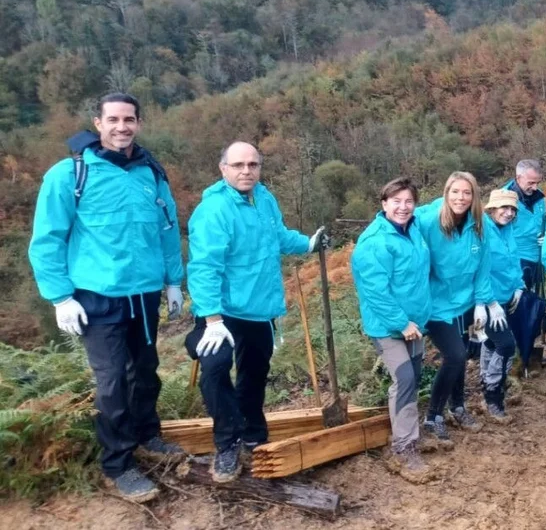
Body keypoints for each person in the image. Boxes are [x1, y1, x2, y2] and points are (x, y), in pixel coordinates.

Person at [28, 93, 187, 502]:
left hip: (145, 293)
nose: (122, 127)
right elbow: (47, 239)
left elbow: (167, 230)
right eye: (113, 119)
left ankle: (147, 435)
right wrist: (61, 297)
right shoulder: (69, 174)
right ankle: (118, 465)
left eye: (129, 119)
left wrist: (173, 281)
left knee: (145, 370)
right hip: (97, 297)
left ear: (139, 122)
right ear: (97, 123)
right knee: (112, 380)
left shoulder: (151, 172)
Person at [186, 141, 326, 483]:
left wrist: (307, 244)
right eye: (238, 165)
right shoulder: (213, 210)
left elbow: (276, 236)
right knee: (216, 369)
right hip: (222, 312)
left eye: (253, 164)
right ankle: (227, 442)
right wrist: (212, 320)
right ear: (223, 169)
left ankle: (251, 431)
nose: (246, 171)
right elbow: (204, 266)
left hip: (260, 308)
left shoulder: (264, 198)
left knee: (254, 373)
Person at [415, 172, 508, 447]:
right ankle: (433, 416)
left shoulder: (479, 225)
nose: (461, 198)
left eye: (467, 193)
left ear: (474, 196)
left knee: (465, 354)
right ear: (446, 194)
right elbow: (397, 221)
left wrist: (483, 302)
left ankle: (458, 407)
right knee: (454, 356)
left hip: (467, 304)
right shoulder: (428, 221)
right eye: (455, 192)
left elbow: (483, 266)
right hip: (436, 305)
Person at [351, 177, 433, 483]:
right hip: (389, 326)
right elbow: (375, 291)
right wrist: (402, 323)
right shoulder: (375, 241)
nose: (403, 207)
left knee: (410, 380)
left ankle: (406, 434)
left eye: (409, 201)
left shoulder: (413, 230)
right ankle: (403, 449)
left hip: (415, 323)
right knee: (405, 378)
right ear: (384, 204)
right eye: (396, 201)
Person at [480, 188, 524, 422]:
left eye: (512, 209)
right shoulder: (482, 231)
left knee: (491, 342)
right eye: (503, 208)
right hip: (487, 301)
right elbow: (480, 269)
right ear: (492, 208)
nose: (508, 213)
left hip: (507, 297)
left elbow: (513, 261)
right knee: (506, 345)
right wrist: (489, 301)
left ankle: (485, 385)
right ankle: (492, 394)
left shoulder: (508, 231)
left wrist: (519, 285)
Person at [503, 159, 546, 294]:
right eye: (531, 183)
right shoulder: (504, 198)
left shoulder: (539, 197)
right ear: (518, 178)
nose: (535, 187)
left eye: (537, 183)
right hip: (516, 260)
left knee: (534, 300)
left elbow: (545, 219)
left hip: (538, 257)